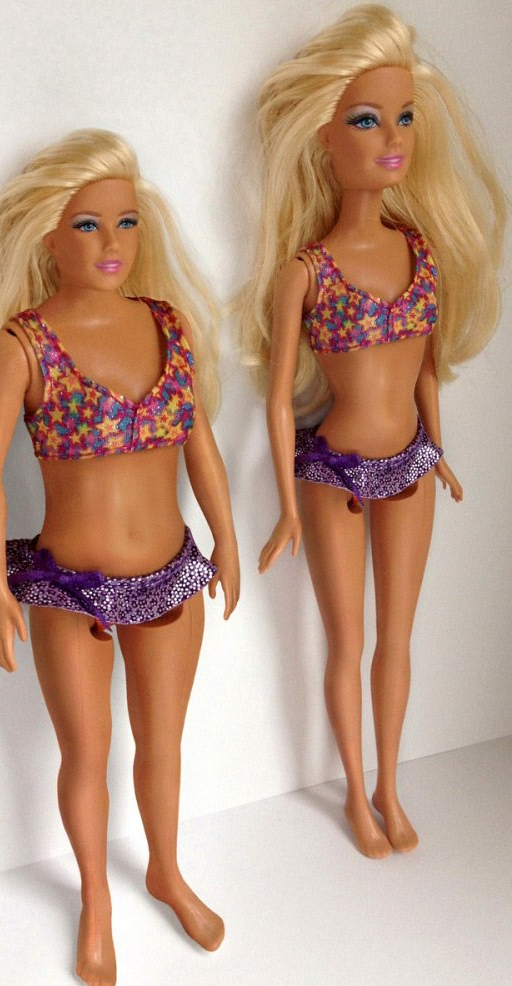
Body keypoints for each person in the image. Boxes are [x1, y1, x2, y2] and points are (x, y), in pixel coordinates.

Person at [0, 128, 239, 986]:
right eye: (87, 224)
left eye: (126, 221)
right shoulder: (22, 345)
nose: (112, 242)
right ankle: (95, 902)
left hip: (169, 575)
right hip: (68, 587)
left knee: (163, 743)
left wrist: (226, 538)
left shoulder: (167, 324)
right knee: (85, 753)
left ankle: (166, 871)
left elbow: (200, 446)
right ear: (48, 236)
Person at [241, 4, 504, 859]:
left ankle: (391, 783)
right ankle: (355, 795)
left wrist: (441, 450)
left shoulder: (422, 251)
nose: (391, 138)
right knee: (345, 640)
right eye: (365, 119)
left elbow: (425, 366)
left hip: (412, 466)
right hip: (334, 475)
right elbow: (278, 399)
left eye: (403, 117)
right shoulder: (305, 271)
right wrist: (285, 503)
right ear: (322, 137)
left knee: (396, 637)